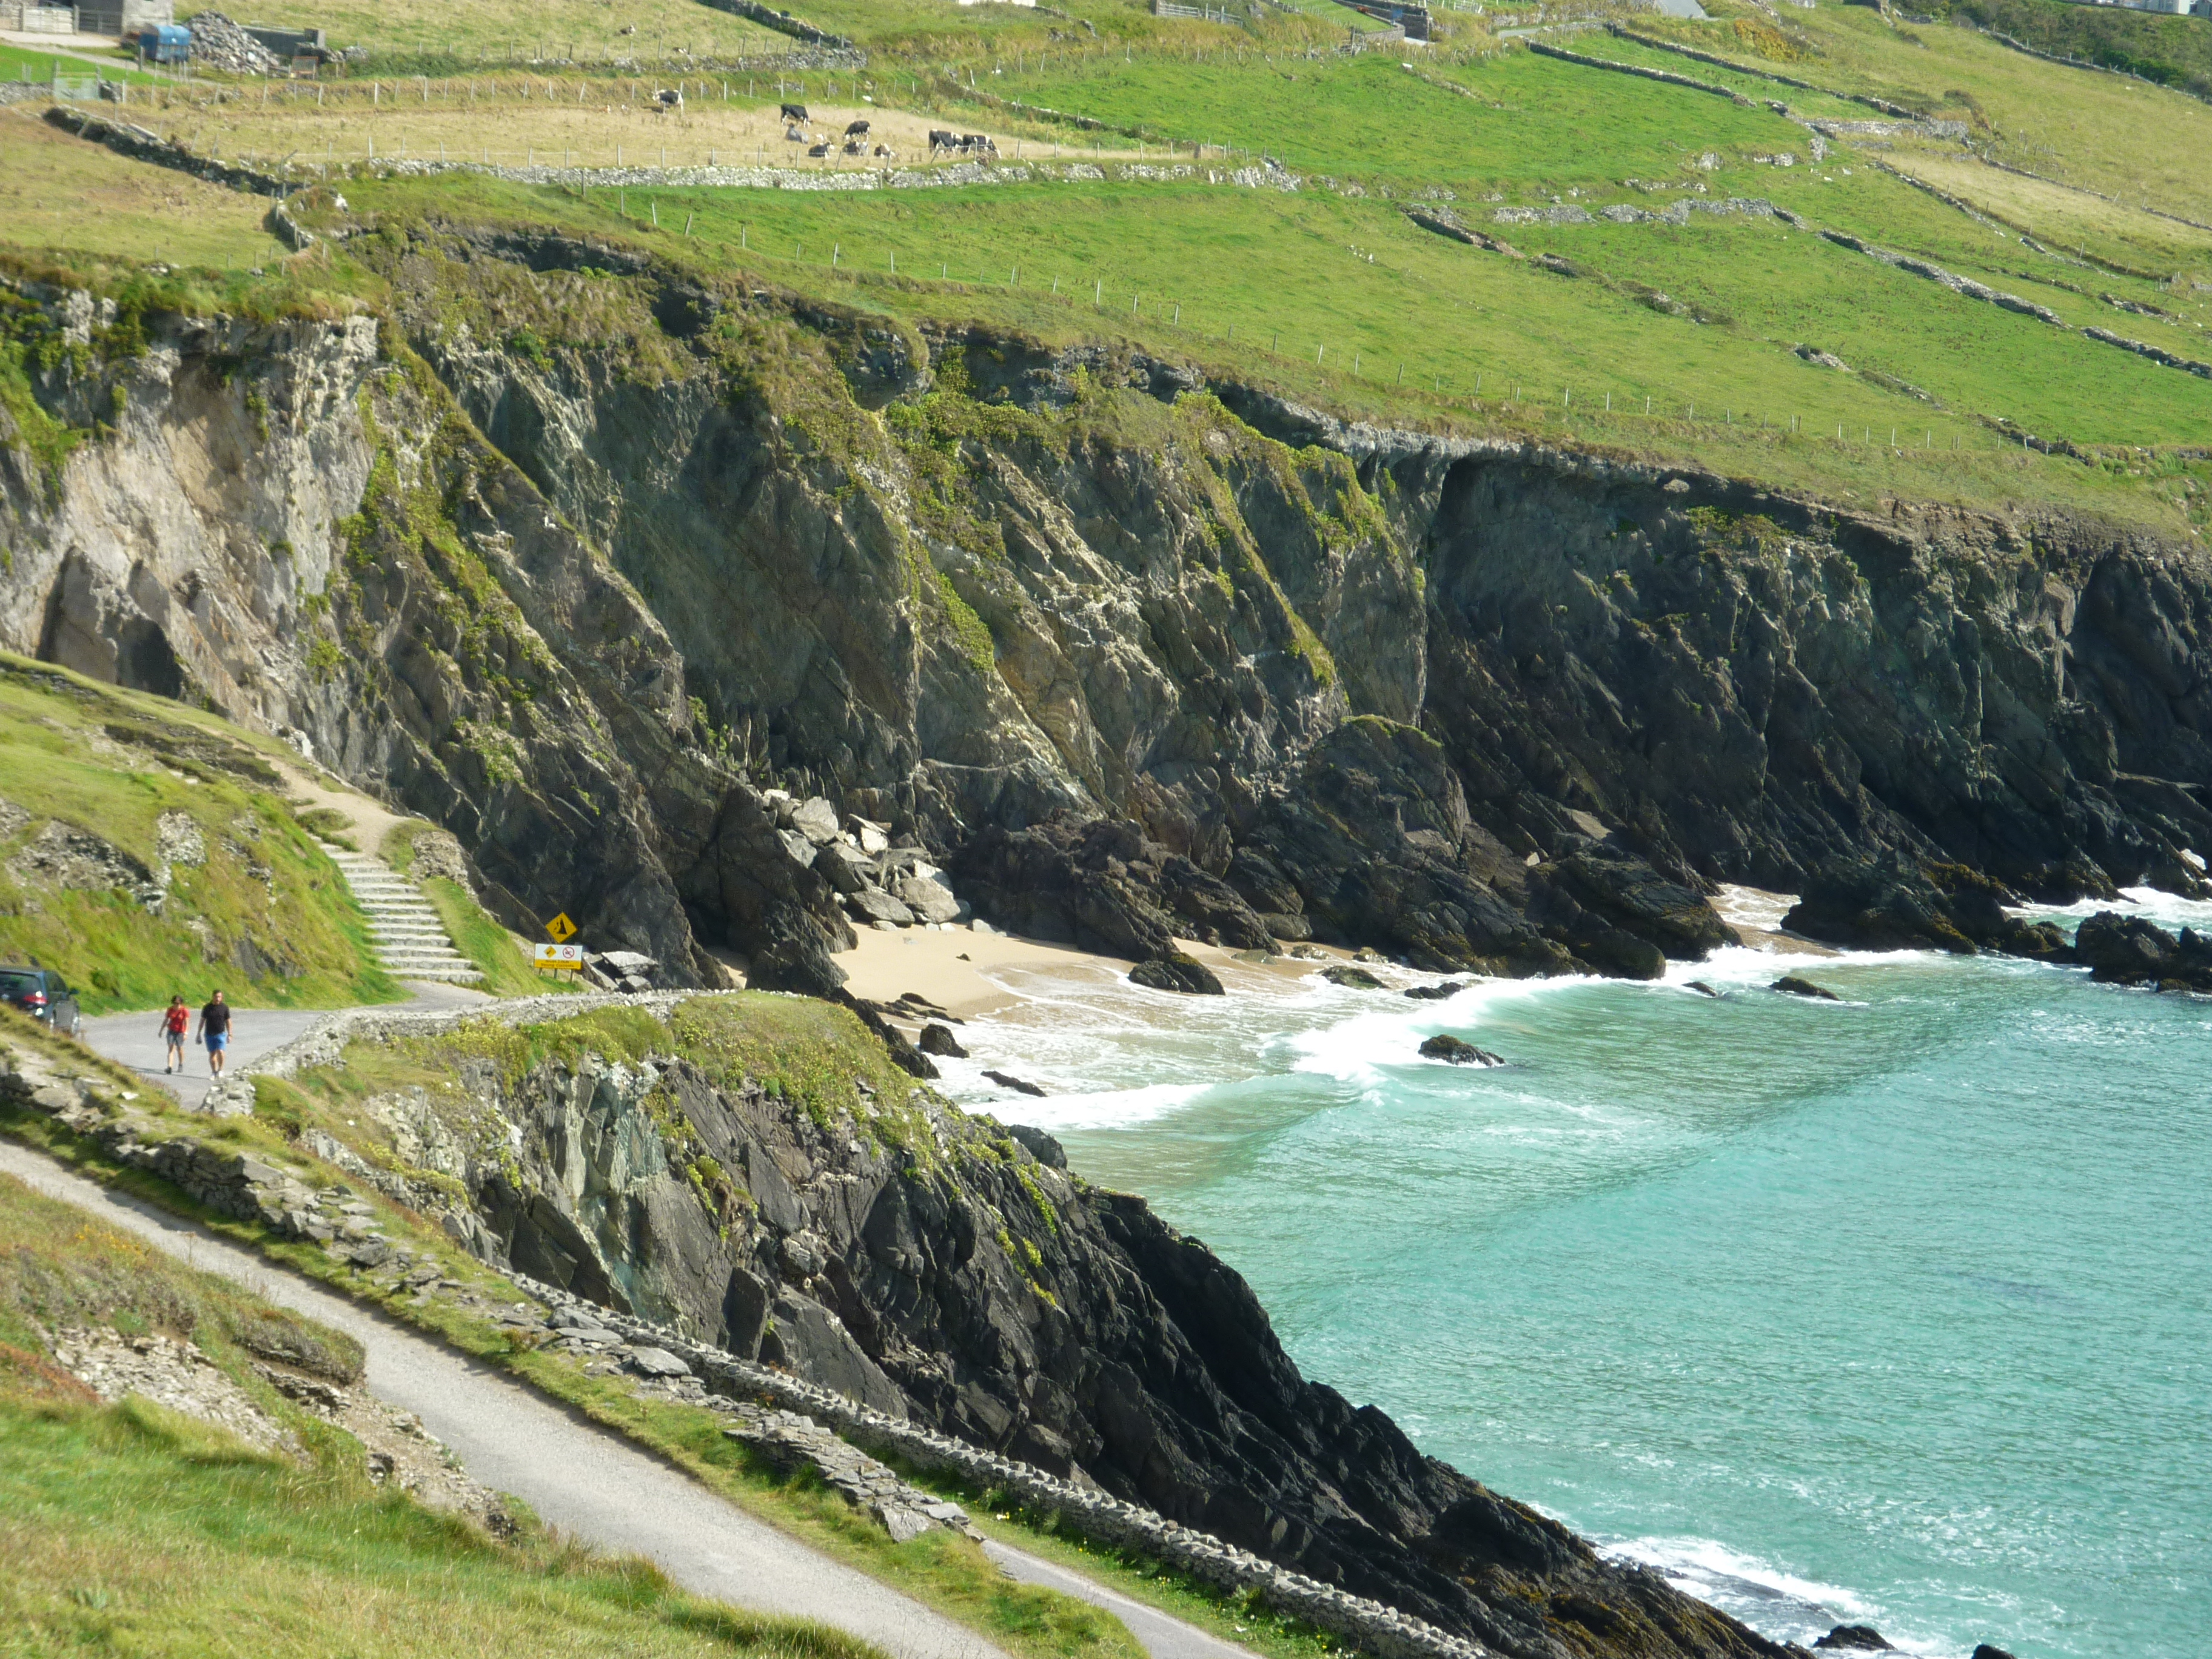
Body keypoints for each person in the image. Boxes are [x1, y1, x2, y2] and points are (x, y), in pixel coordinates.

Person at [195, 990, 233, 1076]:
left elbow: (228, 1022)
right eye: (216, 997)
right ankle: (213, 1071)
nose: (218, 999)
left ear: (222, 998)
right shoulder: (207, 1008)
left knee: (220, 1051)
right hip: (209, 1034)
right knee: (212, 1054)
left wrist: (230, 1034)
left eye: (219, 997)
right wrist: (198, 1033)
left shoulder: (225, 1008)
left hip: (221, 1034)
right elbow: (202, 1021)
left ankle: (220, 1070)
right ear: (213, 997)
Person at [158, 994, 188, 1074]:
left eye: (178, 1003)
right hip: (171, 1031)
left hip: (180, 1032)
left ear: (181, 1003)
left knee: (180, 1048)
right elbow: (166, 1020)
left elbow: (187, 1023)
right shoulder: (170, 1010)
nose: (176, 1005)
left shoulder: (184, 1011)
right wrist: (161, 1030)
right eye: (175, 1003)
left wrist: (186, 1033)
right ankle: (169, 1067)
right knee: (171, 1048)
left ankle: (181, 1064)